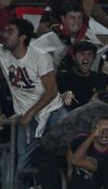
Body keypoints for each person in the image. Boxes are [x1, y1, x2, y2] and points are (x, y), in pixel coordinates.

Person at [0, 18, 65, 171]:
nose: (5, 35)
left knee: (62, 153)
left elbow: (52, 90)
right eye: (5, 31)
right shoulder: (3, 53)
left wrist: (31, 113)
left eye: (10, 32)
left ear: (22, 37)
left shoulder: (39, 56)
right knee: (22, 165)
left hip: (51, 111)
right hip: (25, 115)